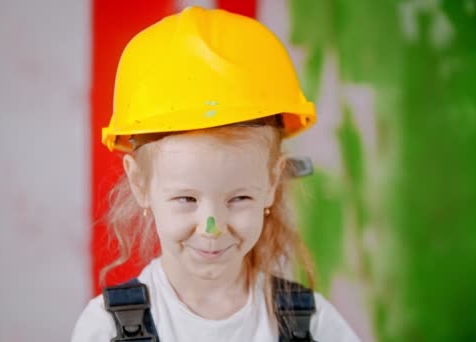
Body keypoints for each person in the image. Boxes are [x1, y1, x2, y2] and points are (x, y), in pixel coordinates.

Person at [71, 6, 360, 342]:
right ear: (140, 183)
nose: (213, 227)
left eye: (239, 198)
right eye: (186, 198)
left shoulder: (313, 323)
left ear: (272, 181)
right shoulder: (104, 328)